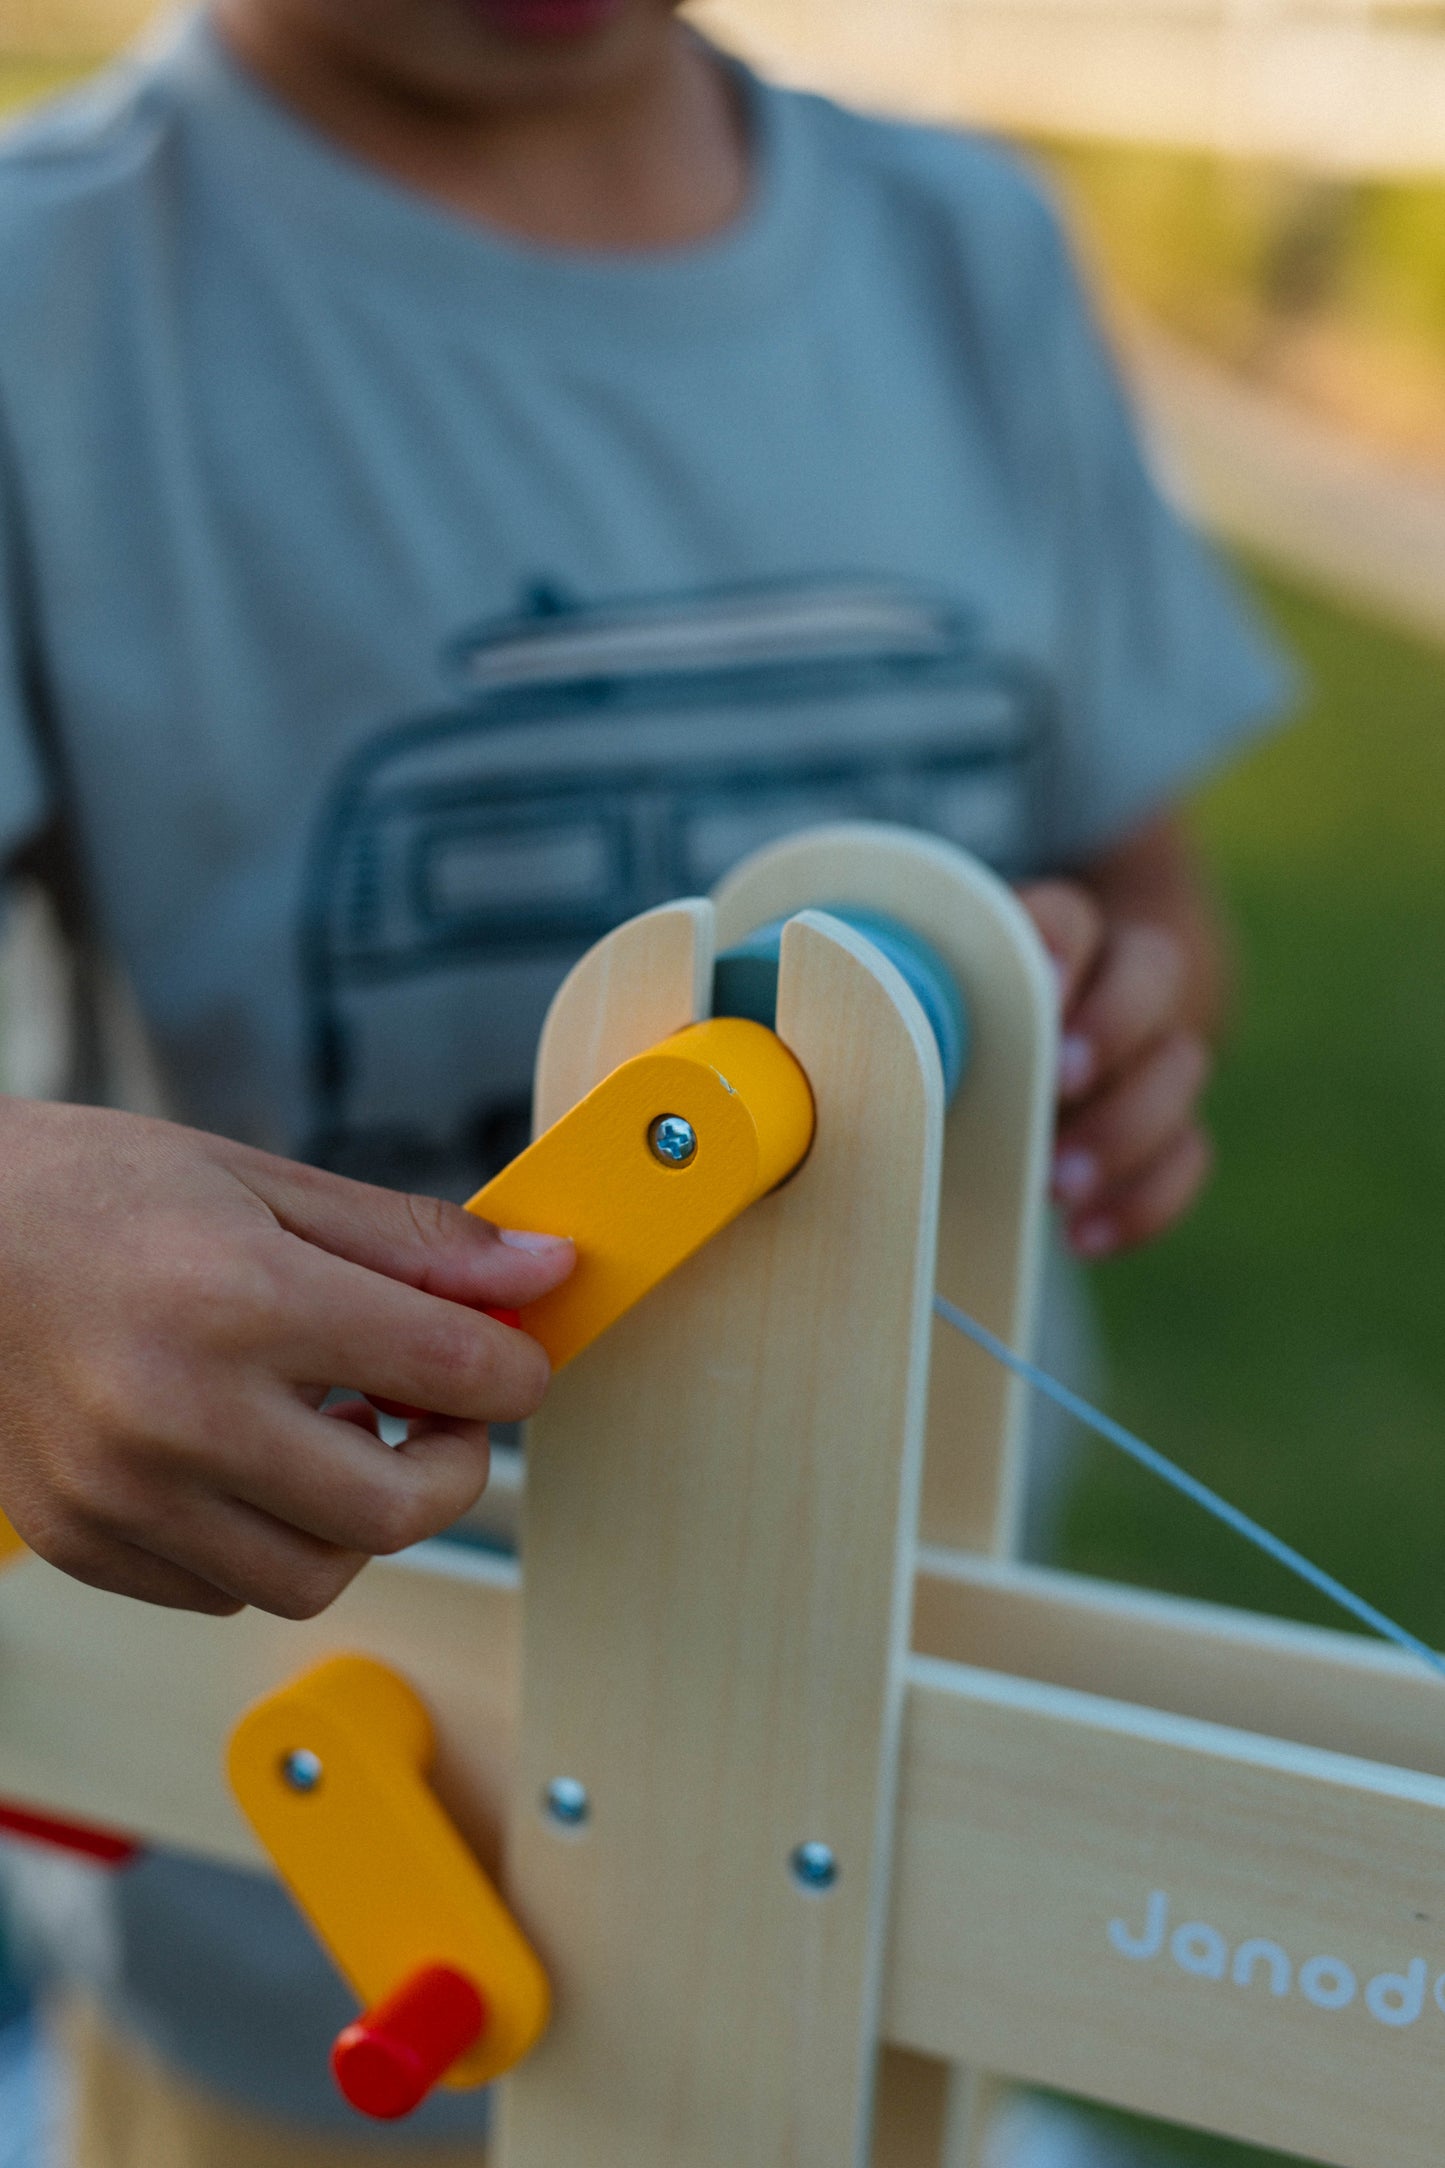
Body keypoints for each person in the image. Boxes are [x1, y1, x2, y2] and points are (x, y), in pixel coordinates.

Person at [0, 1, 1291, 2161]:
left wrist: (1128, 1005)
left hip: (898, 1831)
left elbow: (1144, 888)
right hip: (320, 1919)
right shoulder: (49, 297)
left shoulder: (966, 247)